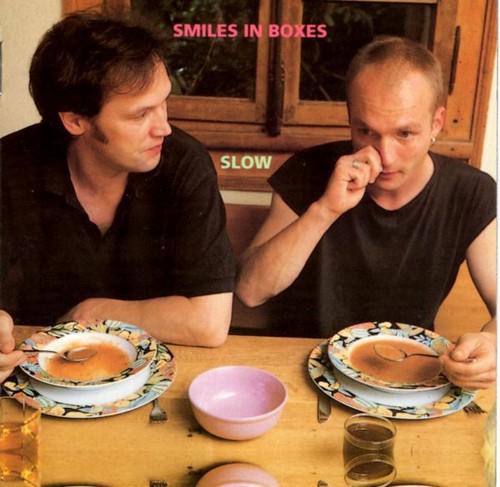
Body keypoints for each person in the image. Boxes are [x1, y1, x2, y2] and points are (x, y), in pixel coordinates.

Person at [236, 37, 496, 390]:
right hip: (302, 371)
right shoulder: (307, 170)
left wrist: (492, 342)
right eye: (366, 131)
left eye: (404, 133)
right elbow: (250, 291)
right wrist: (326, 209)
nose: (385, 156)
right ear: (350, 120)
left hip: (408, 378)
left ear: (437, 122)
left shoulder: (471, 192)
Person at [0, 10, 236, 373]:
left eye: (164, 102)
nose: (164, 128)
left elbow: (209, 323)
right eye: (140, 115)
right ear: (74, 120)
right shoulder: (9, 167)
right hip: (37, 375)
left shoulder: (184, 162)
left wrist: (92, 311)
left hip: (154, 373)